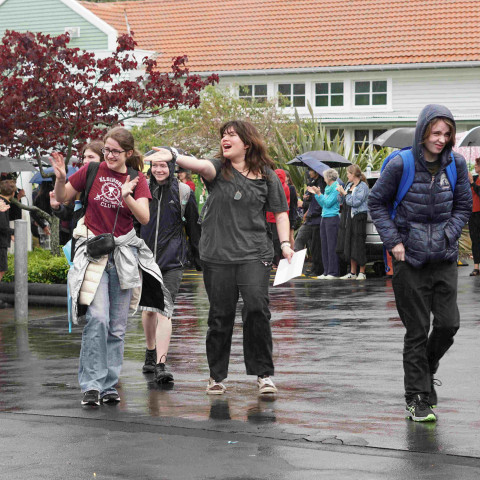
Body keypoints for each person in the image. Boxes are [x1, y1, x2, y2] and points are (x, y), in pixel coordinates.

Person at [149, 120, 293, 396]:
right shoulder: (218, 168)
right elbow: (201, 165)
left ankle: (263, 375)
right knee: (220, 316)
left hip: (255, 254)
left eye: (231, 136)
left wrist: (285, 244)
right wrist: (176, 157)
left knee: (256, 309)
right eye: (223, 136)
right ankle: (217, 376)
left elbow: (281, 212)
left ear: (247, 143)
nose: (225, 140)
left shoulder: (267, 175)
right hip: (217, 255)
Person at [50, 127, 173, 407]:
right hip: (93, 254)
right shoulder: (92, 170)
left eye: (116, 151)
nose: (109, 155)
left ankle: (108, 385)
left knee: (117, 327)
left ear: (128, 153)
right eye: (106, 149)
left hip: (123, 257)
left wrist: (126, 194)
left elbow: (144, 216)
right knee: (98, 319)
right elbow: (64, 196)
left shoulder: (136, 179)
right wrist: (59, 179)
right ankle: (91, 385)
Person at [368, 104, 471, 422]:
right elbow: (377, 202)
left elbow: (463, 205)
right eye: (436, 132)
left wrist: (448, 235)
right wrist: (394, 243)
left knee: (448, 324)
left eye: (447, 134)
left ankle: (425, 372)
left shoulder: (455, 163)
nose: (441, 139)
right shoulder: (401, 163)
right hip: (408, 260)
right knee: (416, 330)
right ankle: (417, 397)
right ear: (423, 130)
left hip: (442, 258)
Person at [140, 151, 201, 384]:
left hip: (173, 260)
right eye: (155, 166)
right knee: (148, 310)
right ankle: (150, 350)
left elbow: (194, 227)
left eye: (164, 165)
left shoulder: (184, 192)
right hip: (146, 259)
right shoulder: (142, 190)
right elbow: (134, 223)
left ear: (173, 167)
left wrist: (198, 259)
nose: (159, 170)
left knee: (165, 309)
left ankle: (161, 363)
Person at [337, 165, 369, 280]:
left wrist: (345, 194)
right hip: (348, 218)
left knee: (358, 243)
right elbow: (341, 201)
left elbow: (355, 202)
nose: (347, 176)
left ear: (354, 174)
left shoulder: (363, 186)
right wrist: (340, 193)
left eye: (348, 174)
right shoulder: (349, 185)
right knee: (350, 243)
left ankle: (362, 272)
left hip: (359, 217)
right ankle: (352, 272)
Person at [307, 168, 341, 279]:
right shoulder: (327, 188)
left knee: (332, 246)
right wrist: (317, 195)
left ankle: (333, 272)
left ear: (329, 177)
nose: (324, 178)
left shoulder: (336, 188)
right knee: (324, 245)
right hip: (324, 217)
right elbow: (323, 204)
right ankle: (326, 271)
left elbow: (328, 202)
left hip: (332, 218)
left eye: (325, 176)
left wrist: (318, 193)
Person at [294, 169, 325, 276]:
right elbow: (310, 202)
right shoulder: (312, 182)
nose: (308, 172)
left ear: (316, 172)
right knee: (300, 239)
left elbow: (319, 203)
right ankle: (296, 266)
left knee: (316, 246)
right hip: (310, 219)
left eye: (311, 170)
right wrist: (306, 199)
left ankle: (317, 269)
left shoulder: (321, 184)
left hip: (316, 219)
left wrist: (305, 205)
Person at [266, 169, 290, 266]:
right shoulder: (285, 187)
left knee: (272, 241)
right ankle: (277, 261)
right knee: (277, 241)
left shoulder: (273, 186)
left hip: (270, 217)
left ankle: (274, 261)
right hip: (280, 218)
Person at [0, 181, 15, 308]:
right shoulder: (2, 204)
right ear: (13, 193)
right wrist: (14, 232)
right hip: (0, 243)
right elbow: (3, 226)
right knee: (1, 270)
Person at [468, 157, 480, 276]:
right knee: (474, 240)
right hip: (473, 213)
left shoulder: (475, 181)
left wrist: (472, 183)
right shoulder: (475, 179)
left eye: (477, 165)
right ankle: (476, 267)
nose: (475, 167)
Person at [285, 170, 300, 247]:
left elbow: (292, 201)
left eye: (285, 176)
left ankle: (292, 253)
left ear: (288, 177)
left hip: (291, 215)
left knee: (290, 236)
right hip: (285, 214)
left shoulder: (291, 188)